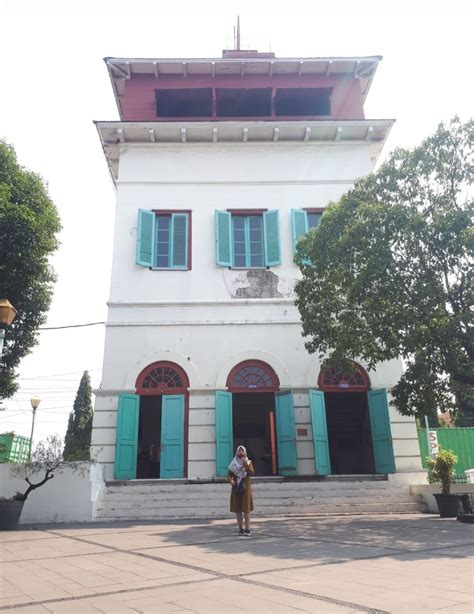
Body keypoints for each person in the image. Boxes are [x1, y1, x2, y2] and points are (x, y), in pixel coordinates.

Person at [227, 444, 254, 536]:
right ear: (236, 452)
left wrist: (245, 463)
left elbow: (251, 472)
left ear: (245, 452)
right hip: (236, 488)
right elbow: (229, 475)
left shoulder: (248, 462)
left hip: (246, 489)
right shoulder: (233, 463)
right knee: (238, 509)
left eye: (242, 451)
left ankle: (247, 529)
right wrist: (231, 481)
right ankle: (240, 529)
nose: (241, 452)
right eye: (239, 450)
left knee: (246, 509)